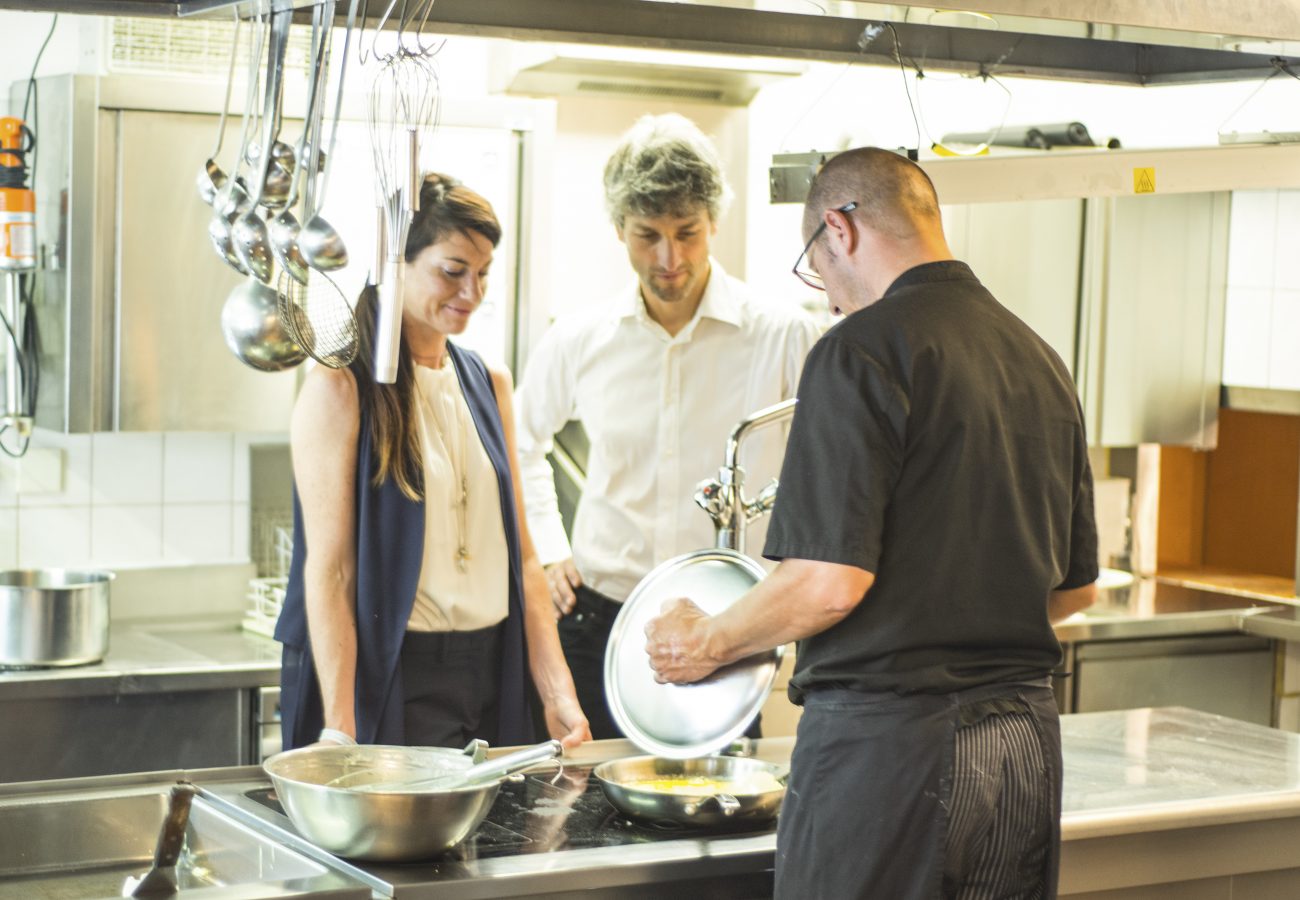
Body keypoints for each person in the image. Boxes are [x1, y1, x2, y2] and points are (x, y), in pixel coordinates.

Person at [645, 147, 1099, 899]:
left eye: (815, 265)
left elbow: (828, 583)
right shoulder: (1039, 357)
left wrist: (708, 640)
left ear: (840, 228)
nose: (825, 296)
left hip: (896, 753)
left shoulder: (858, 351)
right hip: (1023, 743)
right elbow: (1074, 590)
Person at [514, 113, 820, 740]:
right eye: (645, 235)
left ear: (714, 222)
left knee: (720, 809)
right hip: (599, 616)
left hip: (726, 620)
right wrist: (548, 548)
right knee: (583, 808)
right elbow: (518, 444)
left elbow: (825, 471)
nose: (669, 258)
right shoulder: (579, 338)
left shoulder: (784, 335)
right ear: (617, 229)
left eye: (687, 232)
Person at [276, 173, 590, 752]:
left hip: (493, 670)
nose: (471, 291)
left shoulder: (488, 382)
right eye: (452, 271)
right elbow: (330, 571)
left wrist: (556, 691)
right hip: (389, 676)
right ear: (395, 264)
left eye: (483, 273)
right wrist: (341, 729)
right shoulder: (340, 388)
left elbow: (524, 557)